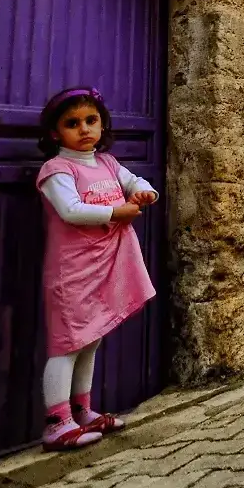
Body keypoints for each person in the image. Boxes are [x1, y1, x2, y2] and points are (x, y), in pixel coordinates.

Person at [35, 87, 158, 450]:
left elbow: (135, 182)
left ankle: (82, 410)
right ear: (56, 133)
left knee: (91, 339)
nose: (84, 129)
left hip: (104, 266)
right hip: (73, 271)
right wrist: (116, 212)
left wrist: (144, 193)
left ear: (102, 124)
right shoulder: (56, 169)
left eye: (91, 121)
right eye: (73, 123)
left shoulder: (106, 163)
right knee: (67, 344)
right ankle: (57, 423)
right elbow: (71, 210)